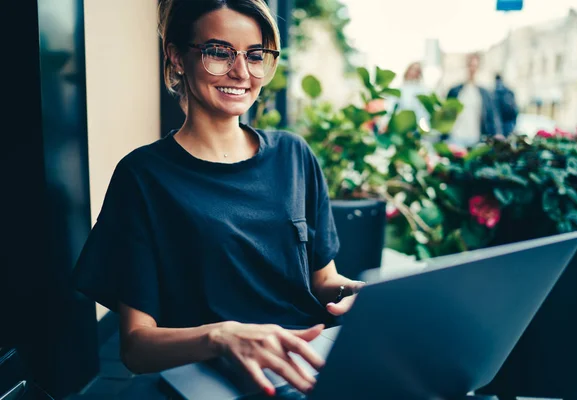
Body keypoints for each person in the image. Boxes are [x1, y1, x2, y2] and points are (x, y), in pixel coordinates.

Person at [72, 0, 364, 396]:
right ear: (176, 57)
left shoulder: (294, 156)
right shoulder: (143, 177)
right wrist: (220, 337)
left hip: (310, 362)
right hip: (214, 379)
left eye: (255, 55)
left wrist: (359, 295)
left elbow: (324, 281)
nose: (241, 72)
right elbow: (136, 348)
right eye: (218, 53)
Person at [446, 53, 502, 146]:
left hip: (475, 138)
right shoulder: (455, 91)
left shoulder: (484, 93)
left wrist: (497, 134)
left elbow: (491, 116)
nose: (472, 69)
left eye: (474, 66)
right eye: (470, 65)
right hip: (456, 137)